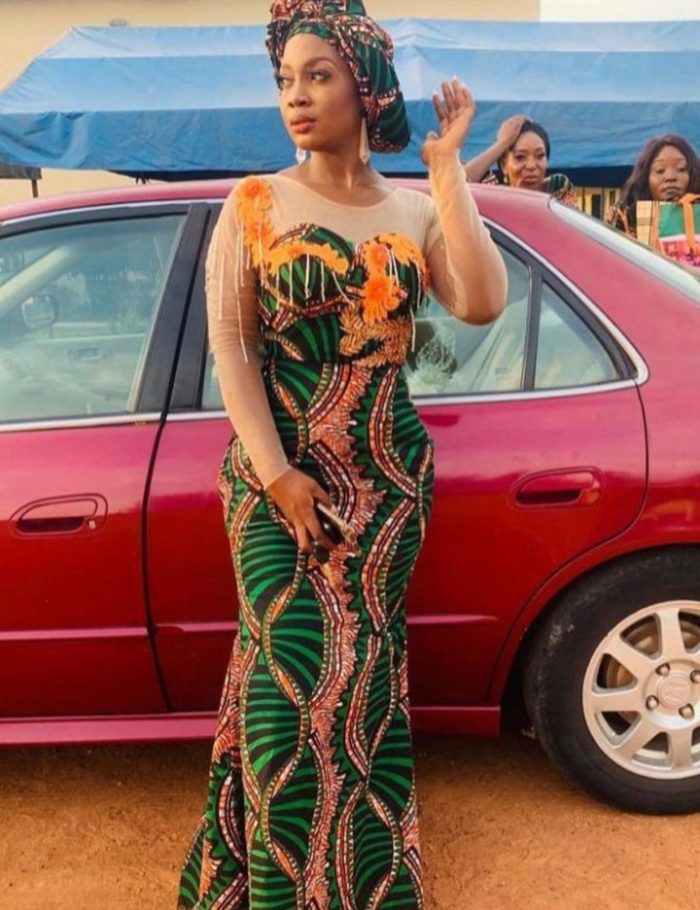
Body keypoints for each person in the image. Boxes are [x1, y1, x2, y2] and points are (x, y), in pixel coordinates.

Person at [178, 2, 506, 908]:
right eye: (286, 79)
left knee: (365, 680)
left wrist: (447, 172)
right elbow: (232, 346)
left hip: (386, 476)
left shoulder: (411, 209)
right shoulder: (255, 203)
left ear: (365, 90)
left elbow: (481, 302)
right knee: (283, 682)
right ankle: (275, 888)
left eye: (317, 76)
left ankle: (365, 884)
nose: (296, 95)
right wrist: (279, 475)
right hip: (276, 478)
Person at [464, 115, 577, 203]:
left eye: (540, 156)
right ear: (504, 165)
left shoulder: (558, 187)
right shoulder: (493, 196)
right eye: (520, 157)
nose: (531, 166)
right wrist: (502, 144)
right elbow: (457, 185)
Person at [605, 134, 699, 236]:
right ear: (645, 179)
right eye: (660, 170)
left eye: (681, 169)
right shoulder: (624, 218)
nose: (670, 177)